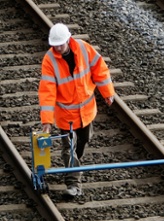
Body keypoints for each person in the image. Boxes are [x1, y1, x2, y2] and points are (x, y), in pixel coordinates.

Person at [38, 23, 116, 198]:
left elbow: (100, 70)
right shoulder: (49, 60)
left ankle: (74, 165)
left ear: (68, 40)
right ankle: (73, 184)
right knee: (69, 148)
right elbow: (47, 93)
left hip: (87, 111)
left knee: (84, 140)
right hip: (66, 115)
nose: (57, 48)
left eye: (60, 44)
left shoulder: (84, 48)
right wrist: (47, 122)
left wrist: (108, 92)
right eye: (54, 45)